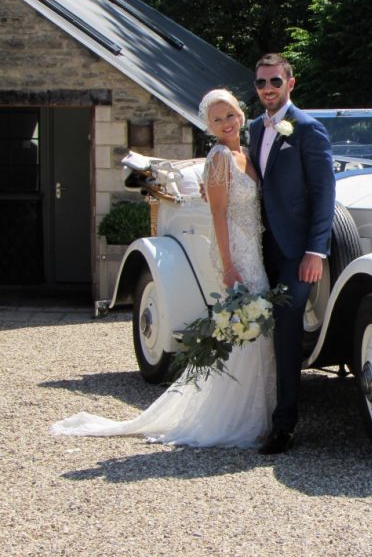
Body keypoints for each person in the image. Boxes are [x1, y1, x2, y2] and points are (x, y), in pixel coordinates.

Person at [51, 89, 276, 449]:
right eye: (217, 120)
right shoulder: (219, 157)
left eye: (230, 116)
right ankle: (241, 419)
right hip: (236, 250)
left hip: (254, 244)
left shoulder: (245, 154)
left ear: (240, 114)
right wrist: (229, 265)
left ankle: (257, 412)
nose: (226, 124)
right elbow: (217, 213)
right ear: (209, 126)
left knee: (257, 332)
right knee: (247, 330)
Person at [249, 53, 335, 454]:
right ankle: (254, 410)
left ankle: (284, 425)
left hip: (297, 253)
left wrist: (315, 251)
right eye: (261, 83)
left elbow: (324, 195)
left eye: (275, 83)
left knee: (286, 329)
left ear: (290, 84)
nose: (268, 89)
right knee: (252, 325)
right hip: (258, 246)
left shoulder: (308, 129)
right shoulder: (252, 129)